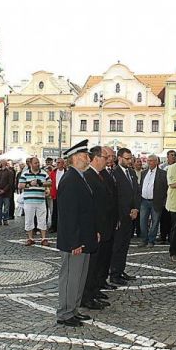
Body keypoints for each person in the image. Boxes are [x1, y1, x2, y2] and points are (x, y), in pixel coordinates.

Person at [56, 139, 99, 327]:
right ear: (74, 158)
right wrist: (74, 242)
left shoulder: (79, 177)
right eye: (84, 156)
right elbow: (68, 215)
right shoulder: (71, 179)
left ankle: (73, 309)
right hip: (75, 240)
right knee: (70, 278)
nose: (87, 159)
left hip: (84, 237)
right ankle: (65, 313)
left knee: (79, 277)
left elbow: (86, 210)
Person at [82, 146, 118, 310]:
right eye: (105, 157)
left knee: (99, 262)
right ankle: (87, 296)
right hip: (96, 227)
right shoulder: (89, 176)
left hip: (104, 225)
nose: (108, 160)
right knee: (92, 265)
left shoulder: (99, 175)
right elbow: (91, 206)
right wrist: (94, 229)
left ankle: (94, 291)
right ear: (96, 158)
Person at [110, 148, 141, 285]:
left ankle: (121, 270)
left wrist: (136, 208)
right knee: (117, 246)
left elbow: (136, 192)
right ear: (119, 158)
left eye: (131, 158)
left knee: (125, 245)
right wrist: (124, 212)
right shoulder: (114, 174)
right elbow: (115, 197)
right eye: (127, 159)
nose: (130, 161)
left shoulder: (132, 172)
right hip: (120, 216)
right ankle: (114, 274)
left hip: (131, 215)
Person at [18, 157, 51, 246]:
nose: (38, 164)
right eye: (36, 163)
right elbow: (20, 185)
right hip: (29, 201)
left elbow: (50, 182)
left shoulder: (44, 173)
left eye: (38, 163)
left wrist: (41, 183)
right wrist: (29, 184)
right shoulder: (25, 173)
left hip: (41, 200)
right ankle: (30, 238)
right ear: (31, 164)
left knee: (42, 219)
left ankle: (43, 238)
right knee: (29, 219)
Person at [137, 155, 168, 248]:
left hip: (156, 201)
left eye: (151, 161)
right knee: (142, 222)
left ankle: (151, 240)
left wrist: (164, 201)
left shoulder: (163, 173)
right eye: (148, 160)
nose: (149, 162)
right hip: (144, 201)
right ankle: (144, 239)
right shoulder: (143, 173)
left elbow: (166, 188)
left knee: (155, 222)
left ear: (156, 162)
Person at [158, 150, 176, 244]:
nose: (173, 157)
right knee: (163, 217)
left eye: (175, 155)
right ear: (167, 156)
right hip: (164, 195)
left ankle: (171, 236)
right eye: (171, 155)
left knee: (173, 218)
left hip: (174, 195)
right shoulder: (162, 167)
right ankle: (163, 236)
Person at [0, 160, 14, 226]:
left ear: (3, 163)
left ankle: (5, 220)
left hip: (6, 194)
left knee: (6, 208)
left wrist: (4, 190)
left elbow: (10, 183)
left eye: (0, 162)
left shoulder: (9, 172)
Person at [49, 158, 66, 233]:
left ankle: (63, 226)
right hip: (55, 193)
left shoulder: (66, 172)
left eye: (59, 162)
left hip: (64, 194)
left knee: (64, 211)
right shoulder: (53, 172)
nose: (57, 164)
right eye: (57, 163)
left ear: (63, 163)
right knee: (55, 211)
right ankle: (54, 226)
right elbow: (50, 182)